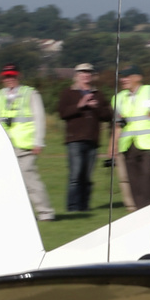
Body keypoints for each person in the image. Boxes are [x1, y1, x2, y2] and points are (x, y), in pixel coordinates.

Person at [0, 64, 54, 221]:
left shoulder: (30, 93)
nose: (9, 79)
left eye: (12, 76)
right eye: (6, 76)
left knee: (29, 178)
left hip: (26, 145)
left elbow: (39, 117)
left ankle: (46, 212)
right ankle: (16, 214)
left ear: (18, 76)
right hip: (6, 146)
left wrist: (38, 141)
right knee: (8, 181)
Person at [56, 62, 111, 214]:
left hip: (92, 140)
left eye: (88, 73)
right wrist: (79, 105)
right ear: (76, 75)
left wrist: (97, 107)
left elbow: (108, 115)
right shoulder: (68, 93)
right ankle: (73, 207)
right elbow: (62, 113)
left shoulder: (98, 94)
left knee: (87, 176)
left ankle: (84, 207)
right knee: (75, 175)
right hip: (74, 139)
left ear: (92, 76)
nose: (85, 75)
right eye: (82, 73)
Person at [111, 66, 150, 209]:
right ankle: (139, 209)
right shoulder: (118, 98)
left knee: (146, 175)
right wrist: (113, 144)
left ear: (138, 77)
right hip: (128, 144)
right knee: (133, 179)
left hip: (148, 143)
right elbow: (117, 124)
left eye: (127, 76)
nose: (123, 79)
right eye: (122, 77)